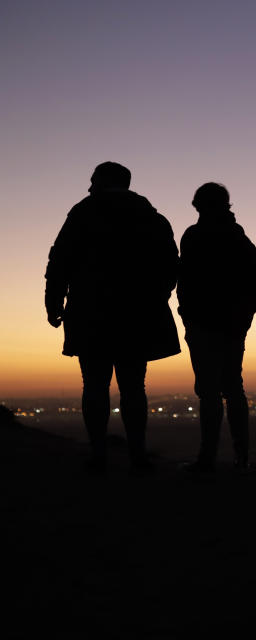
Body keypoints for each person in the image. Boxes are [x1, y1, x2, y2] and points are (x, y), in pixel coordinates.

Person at [44, 162, 180, 473]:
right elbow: (170, 264)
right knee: (133, 387)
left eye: (92, 181)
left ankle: (99, 456)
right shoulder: (150, 217)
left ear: (102, 181)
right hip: (138, 316)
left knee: (94, 385)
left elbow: (60, 260)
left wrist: (53, 301)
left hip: (91, 315)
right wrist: (158, 296)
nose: (89, 187)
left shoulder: (83, 214)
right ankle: (137, 456)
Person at [177, 183, 256, 472]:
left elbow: (186, 281)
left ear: (198, 205)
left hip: (205, 324)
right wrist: (244, 316)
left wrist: (188, 314)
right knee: (232, 387)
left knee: (210, 390)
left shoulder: (193, 237)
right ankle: (241, 458)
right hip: (229, 325)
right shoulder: (239, 239)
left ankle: (208, 459)